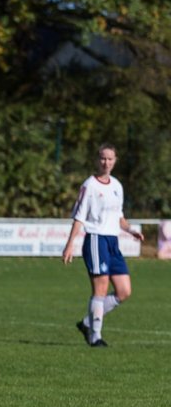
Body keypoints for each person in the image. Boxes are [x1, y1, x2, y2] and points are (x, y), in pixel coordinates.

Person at [62, 143, 144, 347]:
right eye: (102, 158)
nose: (106, 162)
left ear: (115, 161)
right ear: (96, 160)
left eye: (110, 159)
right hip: (96, 240)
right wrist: (69, 244)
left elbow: (120, 218)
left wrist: (131, 230)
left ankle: (87, 322)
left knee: (124, 291)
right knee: (101, 288)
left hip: (113, 241)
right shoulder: (89, 185)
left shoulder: (117, 186)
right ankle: (95, 336)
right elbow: (79, 218)